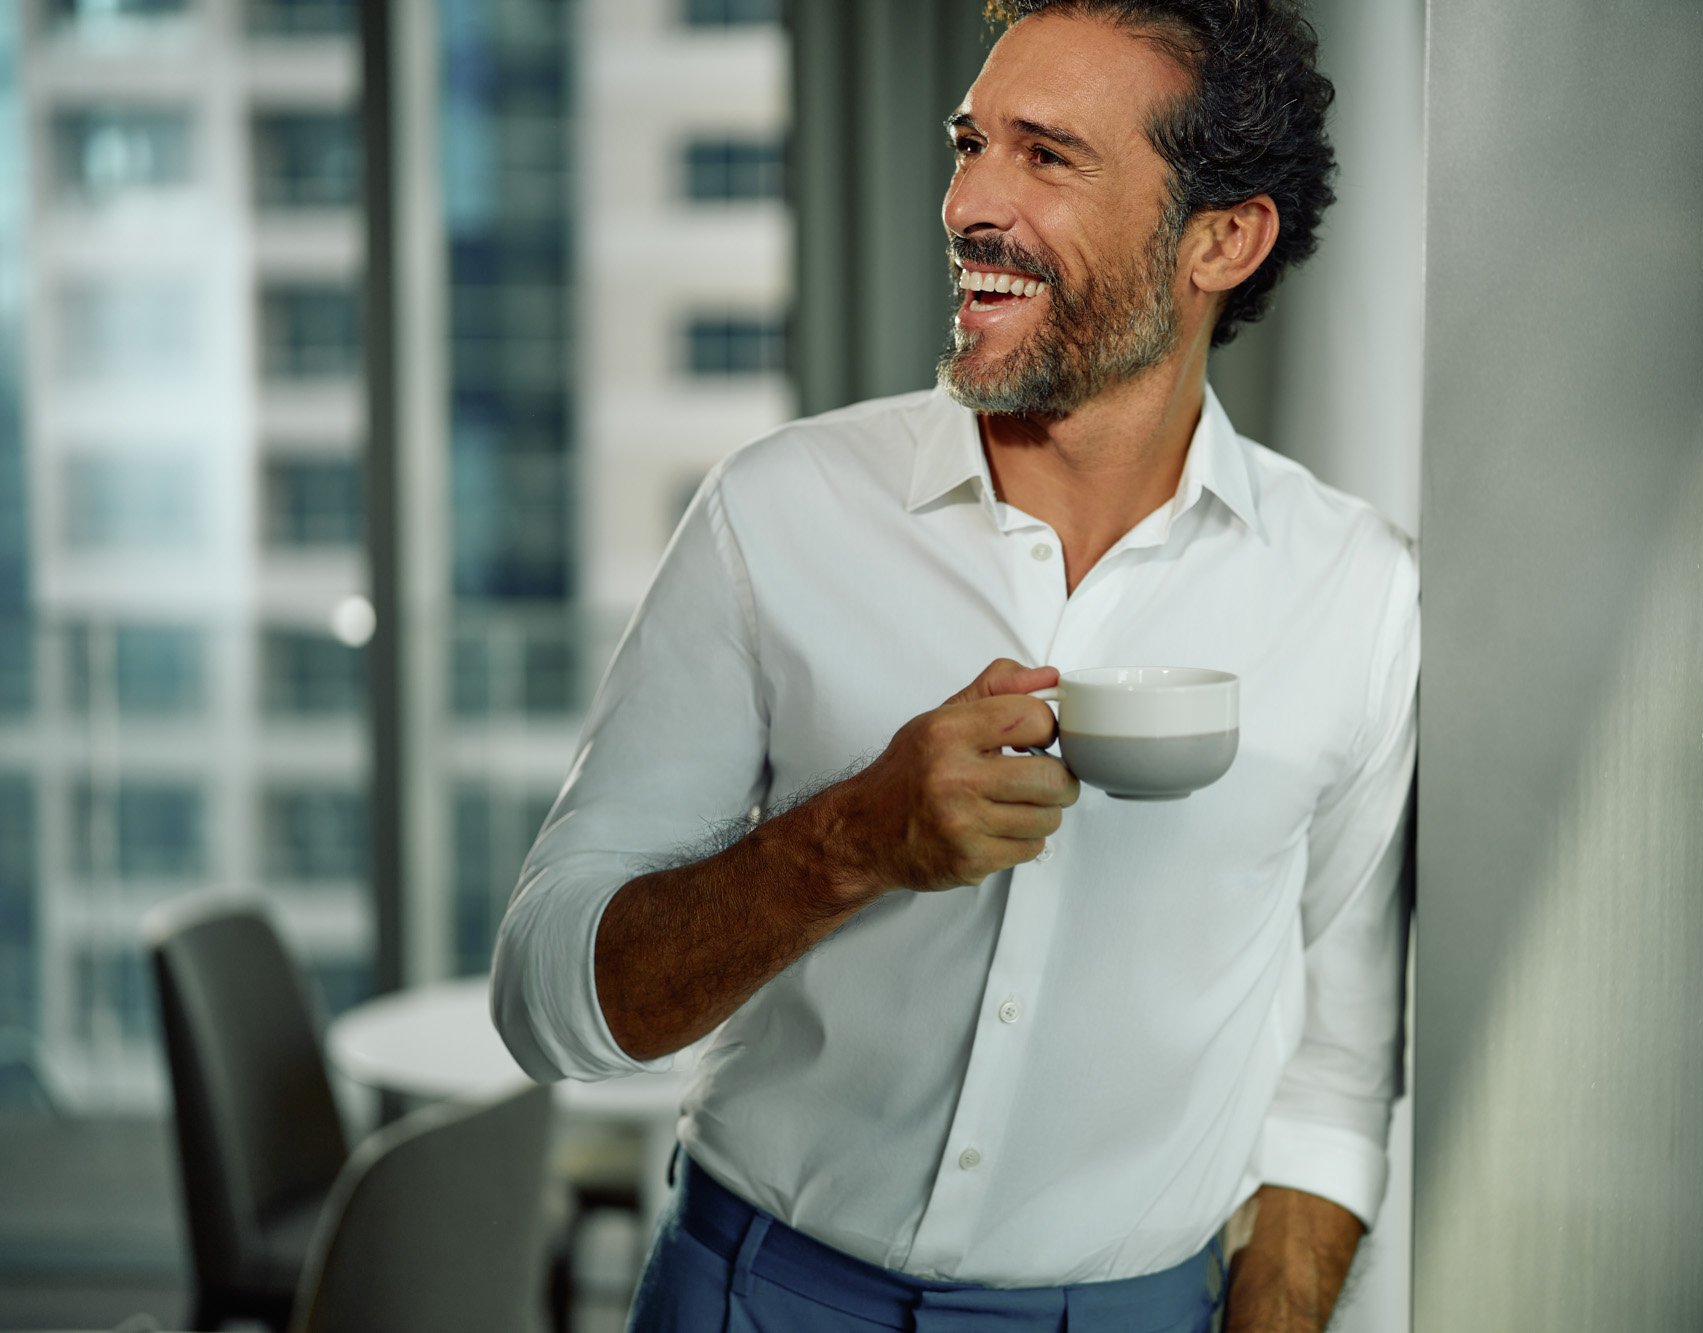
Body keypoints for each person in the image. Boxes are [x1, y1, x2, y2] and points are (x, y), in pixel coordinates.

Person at [492, 2, 1417, 1329]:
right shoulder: (774, 511)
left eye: (1046, 155)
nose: (967, 202)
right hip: (754, 1293)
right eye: (970, 143)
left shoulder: (1357, 593)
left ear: (1222, 239)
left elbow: (1335, 1069)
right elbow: (547, 1003)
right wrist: (847, 842)